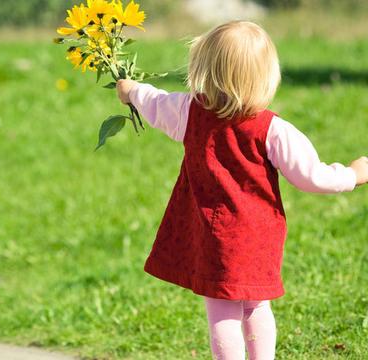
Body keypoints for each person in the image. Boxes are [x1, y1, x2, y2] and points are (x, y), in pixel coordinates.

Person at [115, 21, 368, 359]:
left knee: (221, 311)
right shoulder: (274, 129)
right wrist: (352, 174)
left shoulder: (189, 112)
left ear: (203, 71)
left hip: (212, 235)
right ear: (267, 77)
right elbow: (312, 177)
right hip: (258, 237)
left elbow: (154, 103)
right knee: (256, 305)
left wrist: (131, 90)